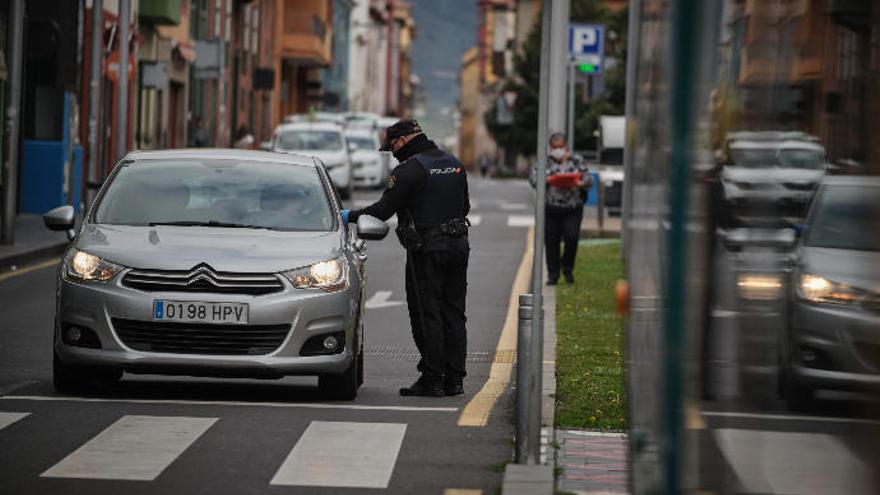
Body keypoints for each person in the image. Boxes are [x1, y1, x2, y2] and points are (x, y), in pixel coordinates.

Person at [341, 119, 470, 398]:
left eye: (392, 148)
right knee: (454, 312)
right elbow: (465, 206)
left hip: (428, 250)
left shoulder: (410, 170)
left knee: (428, 314)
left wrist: (349, 216)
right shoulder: (454, 163)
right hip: (459, 245)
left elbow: (383, 210)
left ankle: (433, 379)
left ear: (401, 141)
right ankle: (455, 380)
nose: (392, 153)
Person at [530, 132, 591, 285]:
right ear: (551, 147)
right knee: (551, 242)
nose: (558, 149)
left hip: (572, 207)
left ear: (566, 146)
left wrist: (579, 183)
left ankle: (568, 269)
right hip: (551, 208)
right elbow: (533, 179)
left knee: (572, 238)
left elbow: (588, 179)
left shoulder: (577, 160)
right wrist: (550, 179)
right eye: (555, 147)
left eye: (561, 147)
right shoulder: (543, 161)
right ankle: (553, 274)